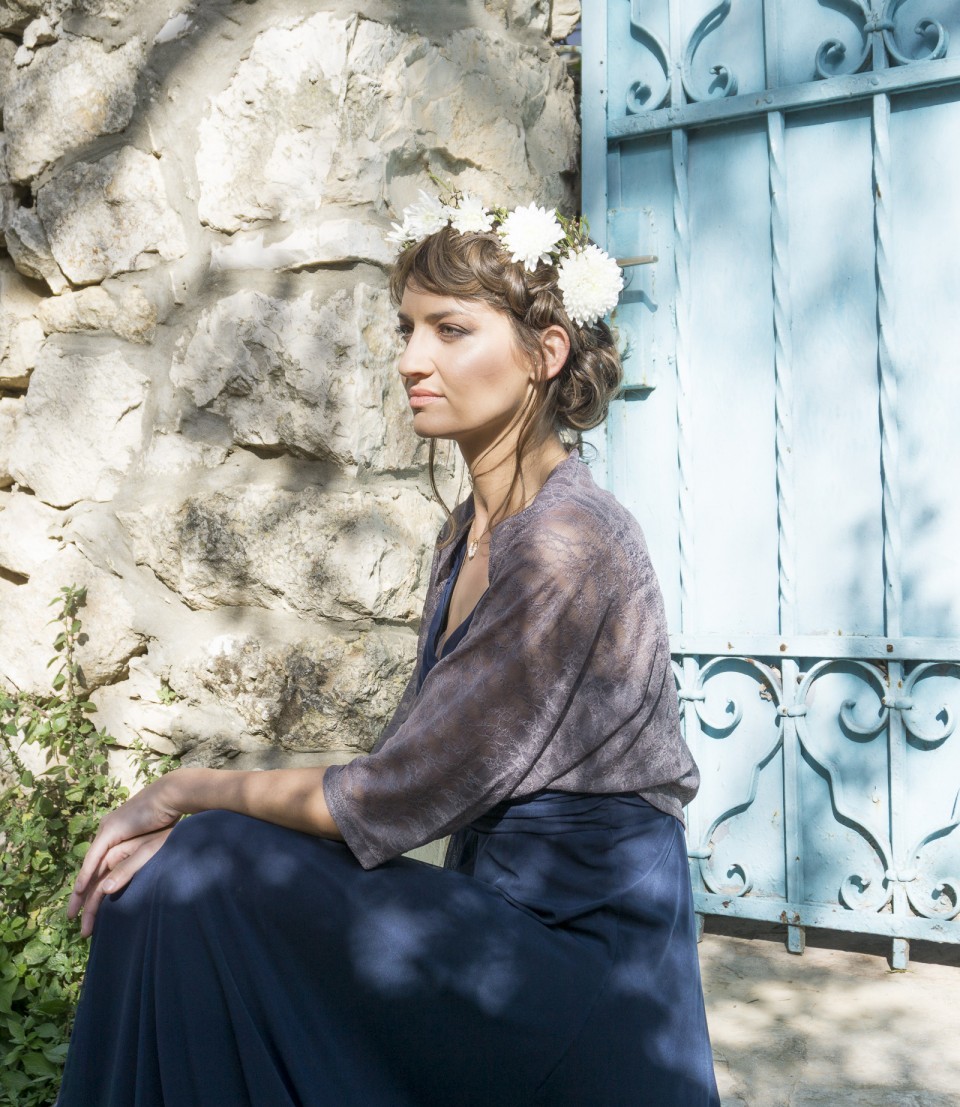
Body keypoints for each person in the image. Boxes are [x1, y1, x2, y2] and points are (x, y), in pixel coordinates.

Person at [58, 193, 720, 1106]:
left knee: (207, 859)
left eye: (451, 330)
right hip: (496, 916)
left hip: (584, 961)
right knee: (175, 884)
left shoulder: (571, 541)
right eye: (408, 328)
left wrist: (181, 791)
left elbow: (394, 795)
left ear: (546, 353)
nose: (412, 359)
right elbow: (406, 768)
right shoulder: (468, 533)